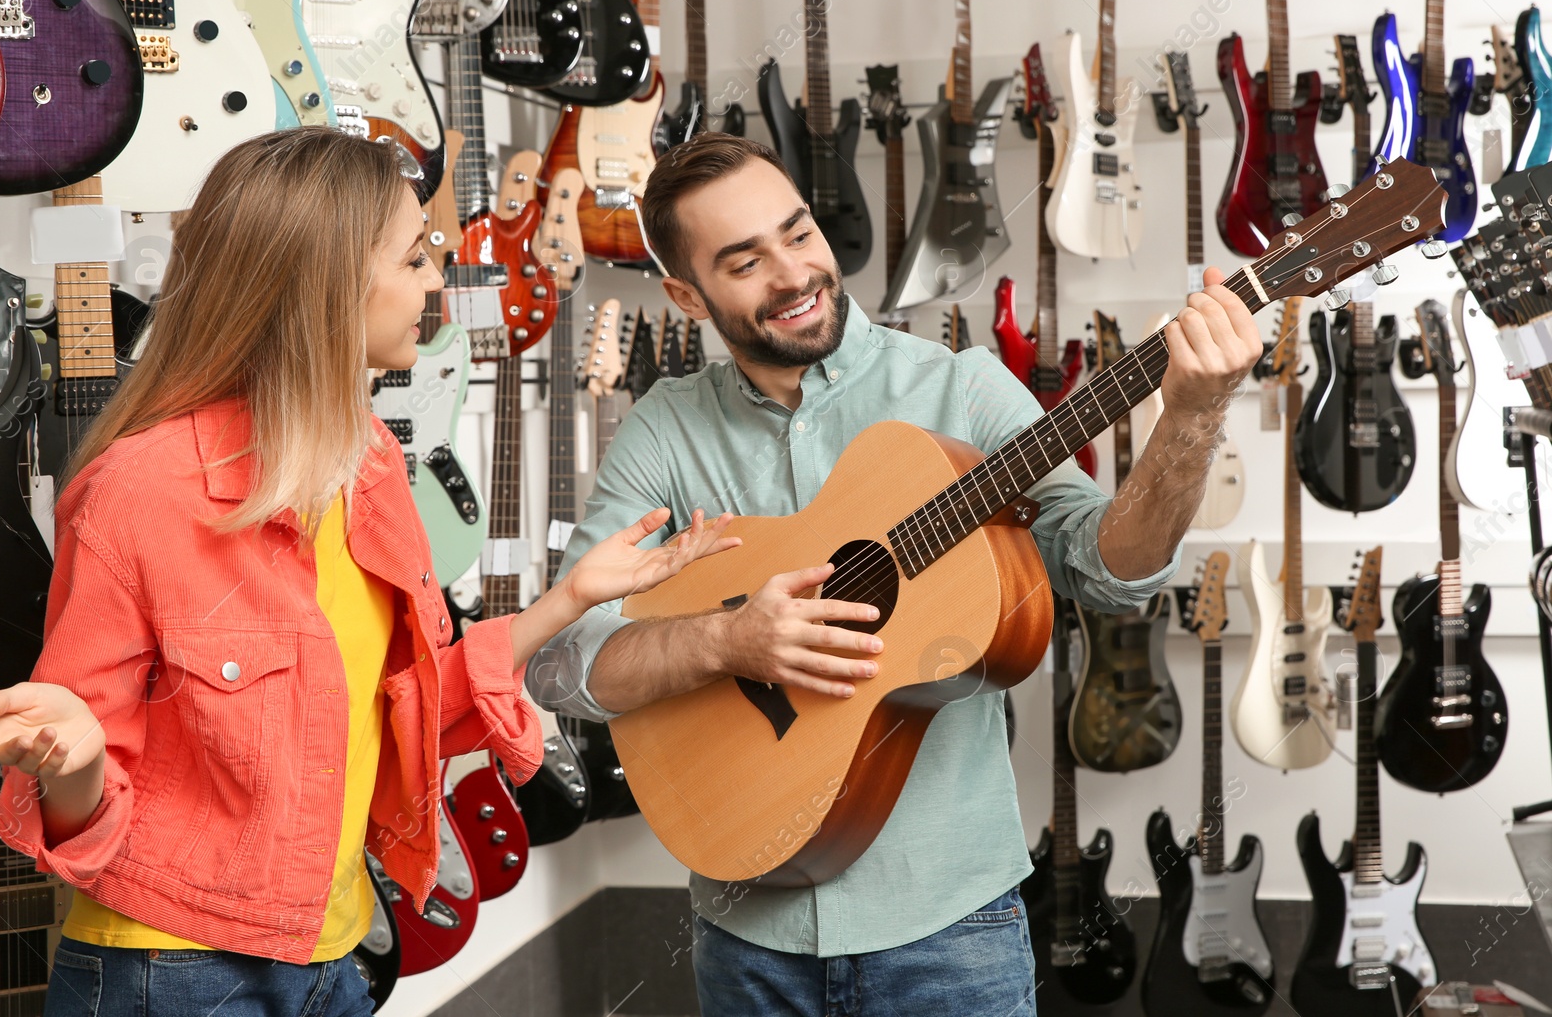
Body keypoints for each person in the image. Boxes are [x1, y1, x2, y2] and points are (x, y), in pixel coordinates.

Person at [0, 127, 736, 1017]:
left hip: (335, 952)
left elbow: (400, 702)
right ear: (323, 283)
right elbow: (75, 794)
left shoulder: (365, 460)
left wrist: (572, 597)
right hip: (175, 970)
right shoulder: (137, 491)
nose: (438, 283)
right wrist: (80, 757)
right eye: (415, 260)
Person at [525, 133, 1263, 1015]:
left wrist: (1192, 414)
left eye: (799, 234)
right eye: (745, 261)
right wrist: (727, 639)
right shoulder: (663, 430)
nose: (794, 274)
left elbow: (1110, 573)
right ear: (686, 294)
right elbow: (561, 661)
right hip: (744, 939)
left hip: (952, 934)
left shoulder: (966, 393)